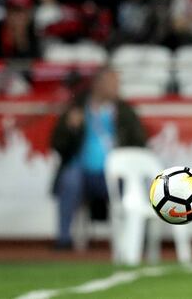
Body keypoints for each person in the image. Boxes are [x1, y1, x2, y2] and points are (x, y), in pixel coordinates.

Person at [50, 67, 146, 249]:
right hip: (82, 173)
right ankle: (63, 239)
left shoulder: (125, 111)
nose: (117, 88)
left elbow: (140, 143)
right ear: (98, 84)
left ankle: (133, 241)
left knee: (133, 187)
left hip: (115, 175)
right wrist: (70, 128)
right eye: (113, 83)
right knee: (69, 179)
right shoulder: (77, 108)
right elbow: (57, 145)